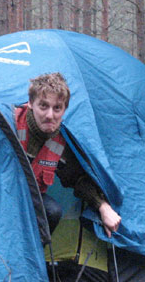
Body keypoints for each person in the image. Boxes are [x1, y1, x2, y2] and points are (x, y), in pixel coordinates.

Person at [15, 72, 121, 239]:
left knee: (52, 211)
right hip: (0, 195)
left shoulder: (61, 140)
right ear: (30, 103)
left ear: (64, 110)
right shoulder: (10, 122)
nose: (50, 115)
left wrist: (103, 207)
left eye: (57, 108)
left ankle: (31, 254)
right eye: (43, 106)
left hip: (29, 198)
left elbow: (77, 179)